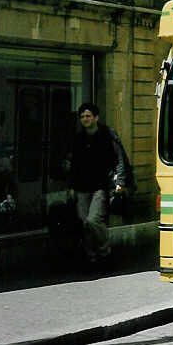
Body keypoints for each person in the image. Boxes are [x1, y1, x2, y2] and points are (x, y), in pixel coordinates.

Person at [67, 102, 126, 264]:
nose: (85, 119)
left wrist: (120, 181)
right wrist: (71, 187)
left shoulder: (107, 134)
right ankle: (91, 255)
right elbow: (74, 164)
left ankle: (104, 250)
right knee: (84, 223)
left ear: (96, 117)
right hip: (81, 187)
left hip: (100, 186)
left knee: (93, 220)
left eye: (88, 116)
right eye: (82, 117)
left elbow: (119, 158)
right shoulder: (79, 138)